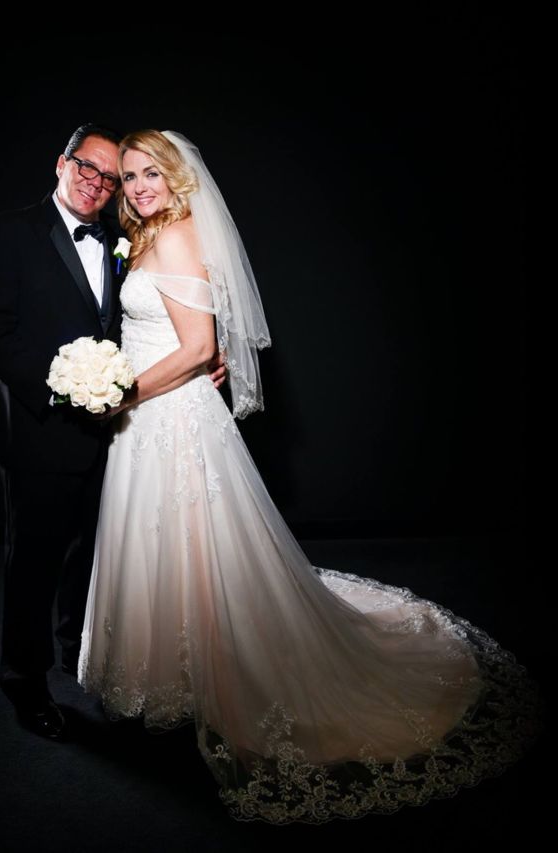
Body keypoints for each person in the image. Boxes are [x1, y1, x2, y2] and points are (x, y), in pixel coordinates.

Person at [78, 130, 540, 823]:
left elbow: (200, 346)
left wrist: (121, 393)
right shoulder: (144, 237)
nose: (140, 186)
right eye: (131, 175)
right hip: (146, 420)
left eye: (152, 173)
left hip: (167, 419)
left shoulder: (175, 236)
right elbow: (181, 339)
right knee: (161, 547)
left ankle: (213, 678)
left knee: (194, 547)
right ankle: (170, 676)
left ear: (177, 177)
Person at [0, 123, 227, 740]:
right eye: (89, 167)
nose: (99, 183)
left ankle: (80, 661)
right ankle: (24, 684)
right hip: (40, 432)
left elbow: (153, 321)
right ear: (62, 164)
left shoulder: (123, 237)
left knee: (94, 561)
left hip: (117, 434)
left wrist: (205, 360)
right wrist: (66, 389)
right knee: (33, 566)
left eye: (112, 178)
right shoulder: (9, 230)